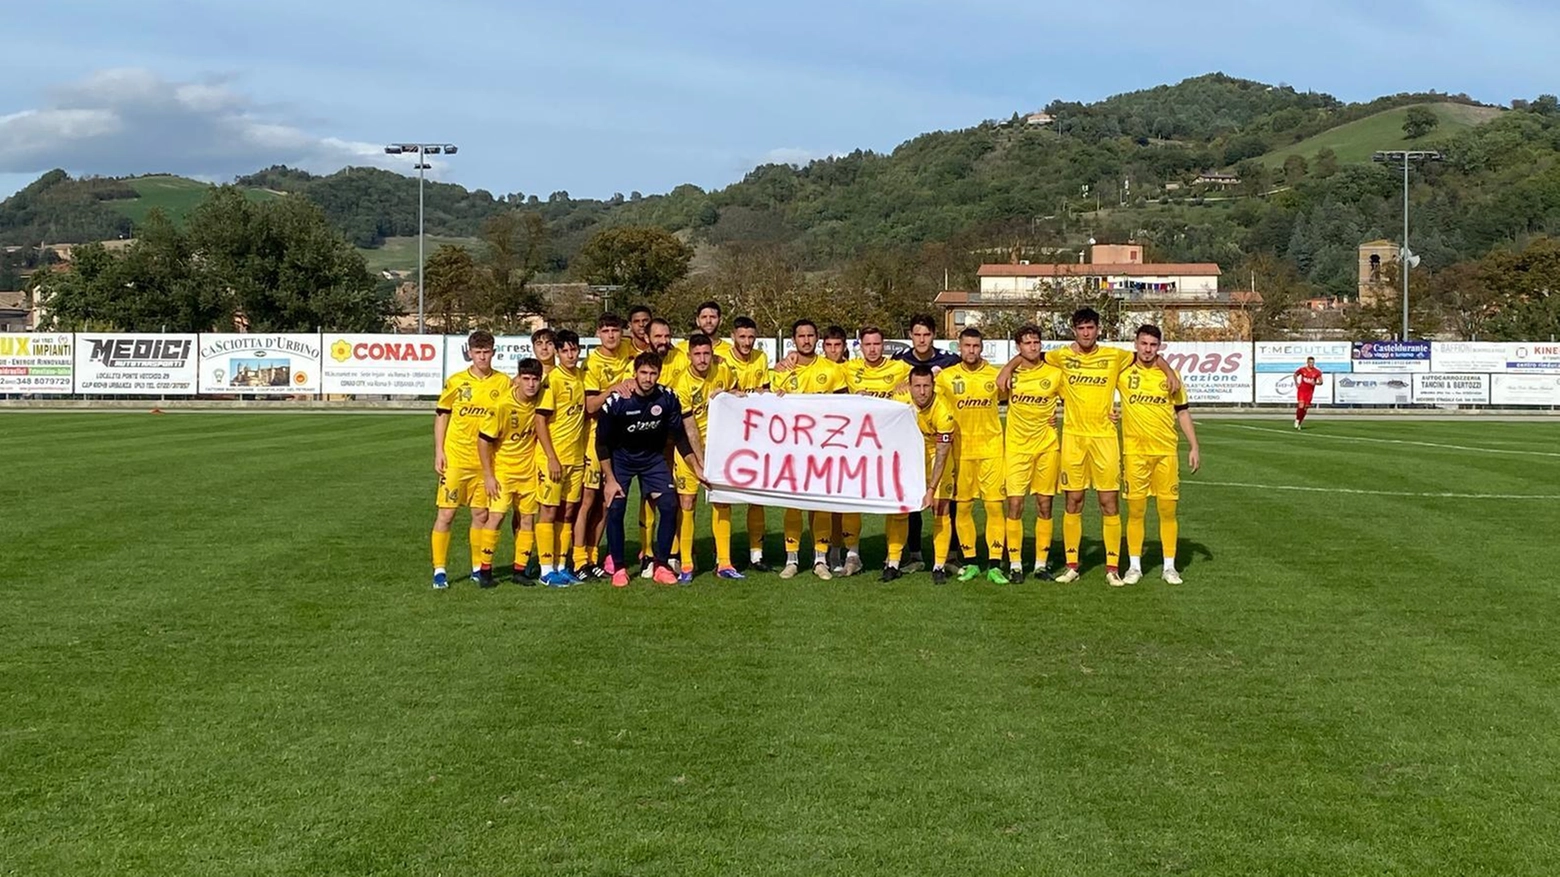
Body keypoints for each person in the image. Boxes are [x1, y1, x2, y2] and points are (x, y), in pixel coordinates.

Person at [1036, 308, 1178, 585]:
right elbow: (1032, 358)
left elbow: (1147, 356)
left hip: (1105, 439)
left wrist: (1168, 369)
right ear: (1073, 330)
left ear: (1098, 329)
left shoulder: (1115, 356)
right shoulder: (1061, 356)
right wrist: (1007, 368)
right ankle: (1072, 565)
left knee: (1108, 503)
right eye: (1081, 328)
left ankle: (1112, 568)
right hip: (1074, 438)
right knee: (1073, 501)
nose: (1086, 333)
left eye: (1091, 328)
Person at [597, 352, 708, 587]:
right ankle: (618, 568)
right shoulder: (617, 401)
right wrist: (609, 478)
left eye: (653, 373)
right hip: (621, 460)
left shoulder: (667, 398)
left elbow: (680, 437)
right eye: (643, 373)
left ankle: (660, 564)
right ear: (635, 373)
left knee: (669, 504)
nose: (648, 378)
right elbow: (602, 444)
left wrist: (696, 467)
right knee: (616, 508)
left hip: (652, 460)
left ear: (659, 374)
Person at [1118, 324, 1200, 585]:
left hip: (1166, 452)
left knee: (1167, 511)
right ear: (1136, 344)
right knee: (1136, 511)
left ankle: (1169, 567)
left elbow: (1182, 411)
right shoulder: (1123, 371)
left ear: (1159, 347)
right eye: (1144, 344)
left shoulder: (1171, 376)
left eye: (1153, 345)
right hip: (1135, 453)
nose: (1148, 349)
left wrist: (1194, 446)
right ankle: (1134, 567)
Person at [430, 330, 511, 589]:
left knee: (481, 513)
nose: (482, 358)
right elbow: (442, 416)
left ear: (493, 353)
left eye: (487, 352)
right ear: (470, 353)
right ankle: (439, 570)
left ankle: (478, 566)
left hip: (485, 463)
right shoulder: (456, 382)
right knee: (447, 513)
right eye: (478, 353)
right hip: (456, 459)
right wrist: (439, 451)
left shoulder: (503, 383)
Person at [772, 318, 847, 579]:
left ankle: (820, 559)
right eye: (801, 336)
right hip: (792, 448)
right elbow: (768, 408)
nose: (806, 340)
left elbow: (845, 409)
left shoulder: (833, 370)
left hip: (823, 448)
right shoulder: (781, 372)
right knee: (793, 503)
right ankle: (791, 559)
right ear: (794, 340)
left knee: (821, 502)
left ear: (817, 339)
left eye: (810, 335)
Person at [936, 327, 1009, 583]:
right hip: (961, 452)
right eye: (967, 346)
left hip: (991, 450)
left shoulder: (995, 375)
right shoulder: (945, 378)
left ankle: (995, 564)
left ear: (982, 347)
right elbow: (923, 398)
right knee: (963, 507)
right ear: (959, 347)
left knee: (993, 506)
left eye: (976, 346)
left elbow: (1022, 398)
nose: (971, 350)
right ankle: (969, 562)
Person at [994, 324, 1062, 582]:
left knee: (1045, 505)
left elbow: (1077, 399)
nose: (1032, 347)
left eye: (1036, 342)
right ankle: (1015, 564)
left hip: (1046, 447)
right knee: (1015, 505)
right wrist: (1009, 367)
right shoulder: (1009, 376)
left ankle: (1041, 564)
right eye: (1027, 343)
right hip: (1017, 449)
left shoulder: (1055, 374)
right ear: (1018, 347)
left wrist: (1109, 413)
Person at [893, 315, 961, 572]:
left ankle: (950, 556)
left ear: (934, 335)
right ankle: (915, 554)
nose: (922, 340)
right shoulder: (899, 362)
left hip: (946, 437)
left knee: (947, 502)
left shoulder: (949, 361)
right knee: (913, 504)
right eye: (917, 335)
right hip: (912, 449)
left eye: (926, 335)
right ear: (910, 335)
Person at [842, 326, 911, 577]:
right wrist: (789, 358)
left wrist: (910, 381)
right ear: (860, 346)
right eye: (867, 344)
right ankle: (853, 555)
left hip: (891, 449)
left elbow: (933, 373)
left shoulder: (900, 368)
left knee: (895, 502)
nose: (872, 349)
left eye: (877, 344)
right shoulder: (849, 368)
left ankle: (893, 559)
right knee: (852, 501)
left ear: (884, 345)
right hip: (858, 447)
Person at [670, 334, 737, 581]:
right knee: (687, 504)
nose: (702, 359)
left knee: (722, 502)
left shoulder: (722, 370)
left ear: (713, 353)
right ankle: (686, 564)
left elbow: (735, 395)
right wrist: (700, 464)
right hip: (689, 453)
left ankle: (724, 563)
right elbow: (689, 428)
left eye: (706, 353)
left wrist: (731, 394)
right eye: (697, 354)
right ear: (689, 356)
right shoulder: (682, 383)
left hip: (719, 451)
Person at [576, 313, 635, 581]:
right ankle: (577, 559)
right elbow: (590, 407)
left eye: (615, 330)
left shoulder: (628, 350)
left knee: (606, 500)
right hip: (596, 439)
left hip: (622, 438)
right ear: (598, 333)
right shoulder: (593, 363)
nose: (612, 335)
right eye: (606, 331)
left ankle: (592, 556)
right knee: (587, 500)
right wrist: (615, 388)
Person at [476, 357, 544, 588]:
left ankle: (519, 570)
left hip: (528, 472)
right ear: (518, 379)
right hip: (504, 472)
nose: (531, 384)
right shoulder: (503, 405)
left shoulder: (541, 402)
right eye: (526, 379)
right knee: (496, 517)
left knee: (527, 520)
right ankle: (485, 571)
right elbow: (484, 440)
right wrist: (488, 475)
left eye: (535, 379)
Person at [886, 365, 956, 582]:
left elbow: (943, 454)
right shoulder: (899, 401)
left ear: (933, 386)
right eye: (917, 386)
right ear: (910, 387)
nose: (922, 391)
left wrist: (931, 489)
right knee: (900, 510)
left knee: (940, 508)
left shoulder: (944, 411)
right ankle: (893, 563)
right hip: (910, 456)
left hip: (937, 456)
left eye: (927, 386)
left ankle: (939, 566)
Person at [534, 329, 588, 586]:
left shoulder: (579, 376)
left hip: (576, 458)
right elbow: (540, 420)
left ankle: (561, 565)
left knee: (568, 512)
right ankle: (546, 570)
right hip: (553, 458)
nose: (570, 355)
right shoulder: (551, 380)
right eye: (564, 350)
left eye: (573, 350)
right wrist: (551, 457)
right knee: (548, 510)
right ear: (557, 353)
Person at [725, 316, 773, 572]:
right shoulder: (721, 358)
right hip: (727, 437)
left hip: (755, 438)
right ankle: (723, 555)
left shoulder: (761, 359)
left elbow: (765, 392)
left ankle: (757, 554)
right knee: (723, 497)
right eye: (742, 337)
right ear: (733, 335)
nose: (746, 342)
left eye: (751, 337)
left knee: (757, 496)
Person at [1294, 355, 1323, 429]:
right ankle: (1297, 419)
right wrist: (1296, 383)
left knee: (1305, 408)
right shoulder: (1302, 370)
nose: (1311, 364)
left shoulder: (1317, 372)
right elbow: (1295, 374)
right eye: (1310, 362)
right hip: (1302, 391)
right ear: (1307, 362)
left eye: (1313, 363)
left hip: (1309, 392)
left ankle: (1300, 422)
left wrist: (1316, 383)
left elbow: (1321, 382)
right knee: (1301, 406)